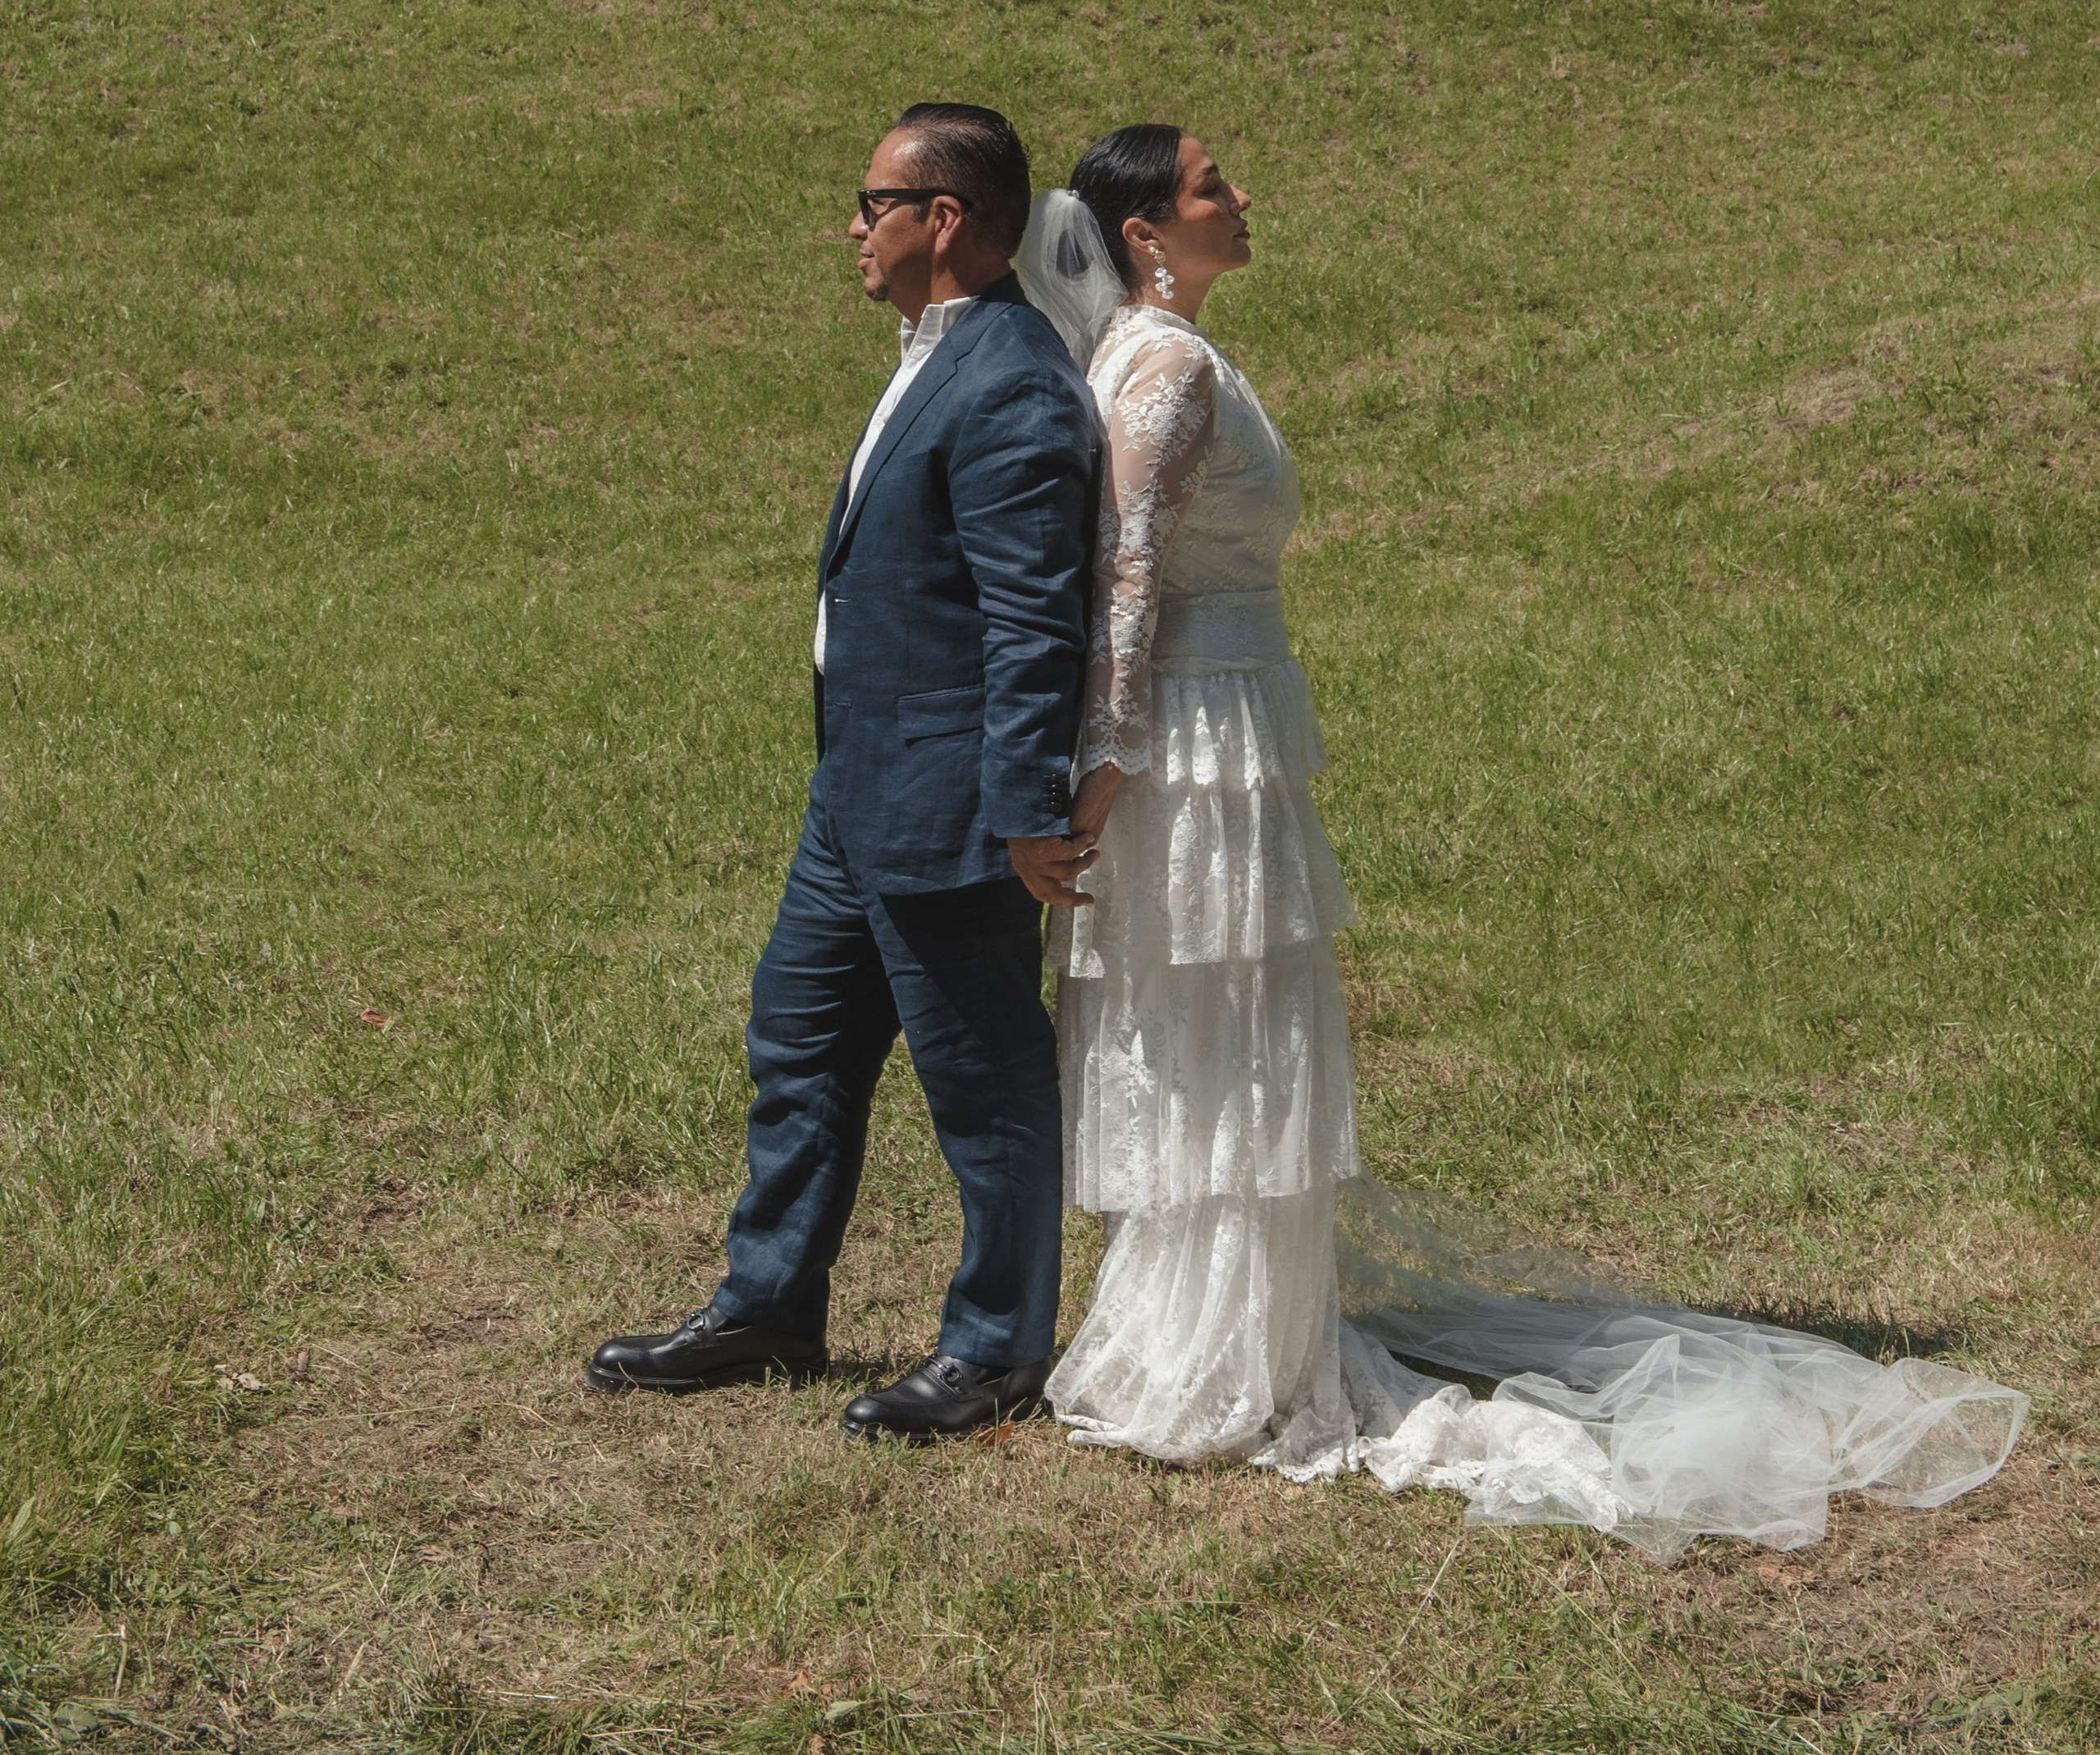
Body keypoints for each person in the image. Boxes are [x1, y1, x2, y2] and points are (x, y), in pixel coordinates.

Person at [1017, 128, 2029, 1562]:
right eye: (1210, 184)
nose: (1241, 195)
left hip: (1221, 723)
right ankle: (1208, 1347)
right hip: (1196, 740)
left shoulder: (1161, 355)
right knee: (1222, 1030)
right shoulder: (1168, 366)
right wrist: (1107, 768)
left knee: (1227, 1028)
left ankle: (1224, 1328)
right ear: (1142, 234)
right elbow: (1123, 576)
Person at [587, 103, 1101, 1442]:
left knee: (983, 1084)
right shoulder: (937, 351)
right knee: (799, 1041)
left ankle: (995, 1349)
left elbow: (1034, 621)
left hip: (951, 809)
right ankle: (769, 1304)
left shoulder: (1013, 382)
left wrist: (1022, 812)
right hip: (854, 793)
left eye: (872, 202)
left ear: (945, 218)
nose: (852, 225)